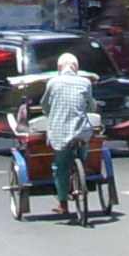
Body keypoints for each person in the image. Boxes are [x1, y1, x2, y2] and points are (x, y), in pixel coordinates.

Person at [41, 50, 103, 226]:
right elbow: (91, 105)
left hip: (59, 132)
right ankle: (82, 163)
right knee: (83, 141)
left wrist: (49, 113)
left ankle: (63, 204)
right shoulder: (85, 82)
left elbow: (44, 105)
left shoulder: (53, 82)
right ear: (76, 68)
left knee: (60, 167)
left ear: (59, 67)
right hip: (81, 130)